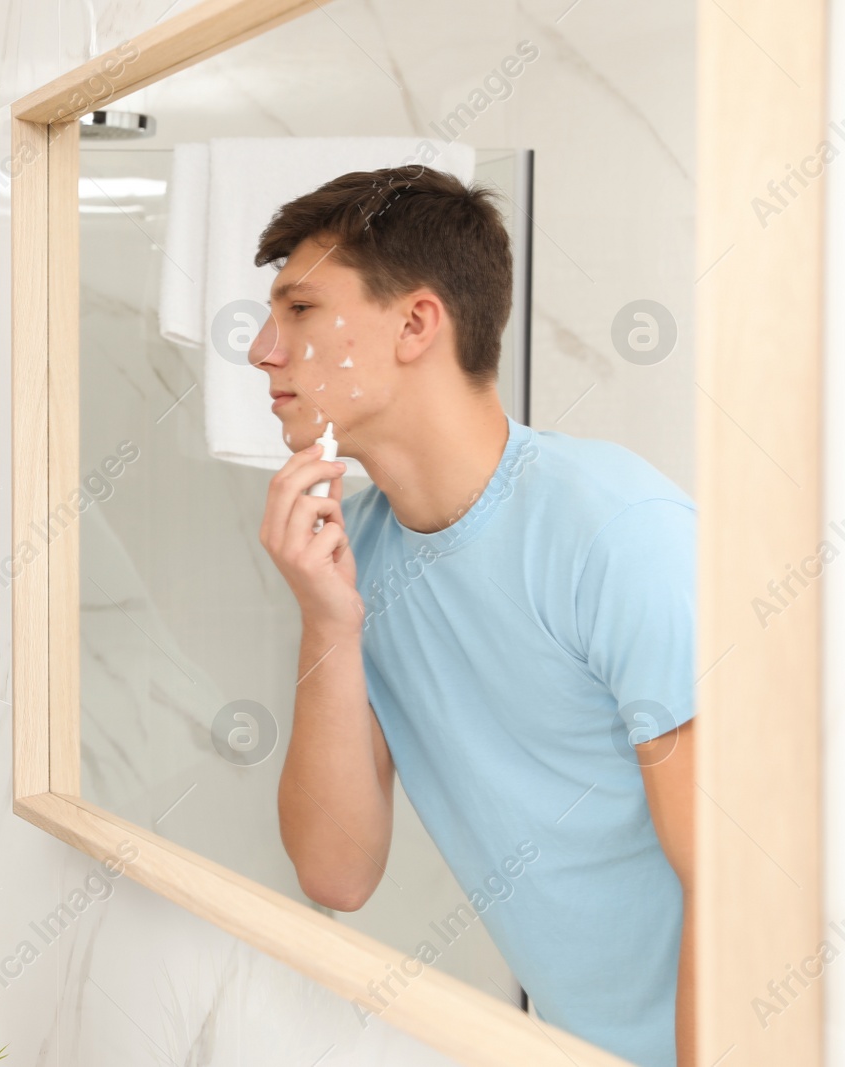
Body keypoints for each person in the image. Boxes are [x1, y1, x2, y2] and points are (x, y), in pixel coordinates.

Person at [258, 166, 693, 1067]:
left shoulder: (618, 534)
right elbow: (335, 873)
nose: (263, 348)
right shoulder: (358, 556)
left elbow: (740, 891)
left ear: (417, 323)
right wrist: (328, 622)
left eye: (299, 309)